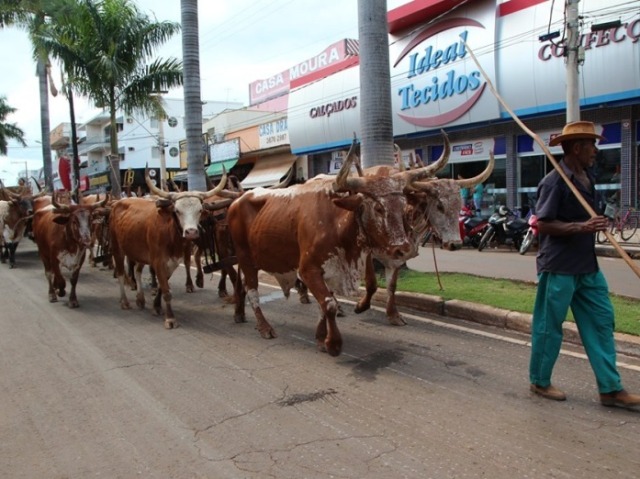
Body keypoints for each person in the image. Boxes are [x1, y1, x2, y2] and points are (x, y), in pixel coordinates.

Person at [528, 121, 640, 409]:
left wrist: (599, 222)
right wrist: (582, 226)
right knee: (548, 327)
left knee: (602, 323)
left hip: (587, 267)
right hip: (559, 267)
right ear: (577, 148)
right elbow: (543, 224)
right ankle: (540, 381)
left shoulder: (587, 177)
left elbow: (591, 216)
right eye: (592, 145)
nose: (596, 150)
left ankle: (611, 389)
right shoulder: (555, 182)